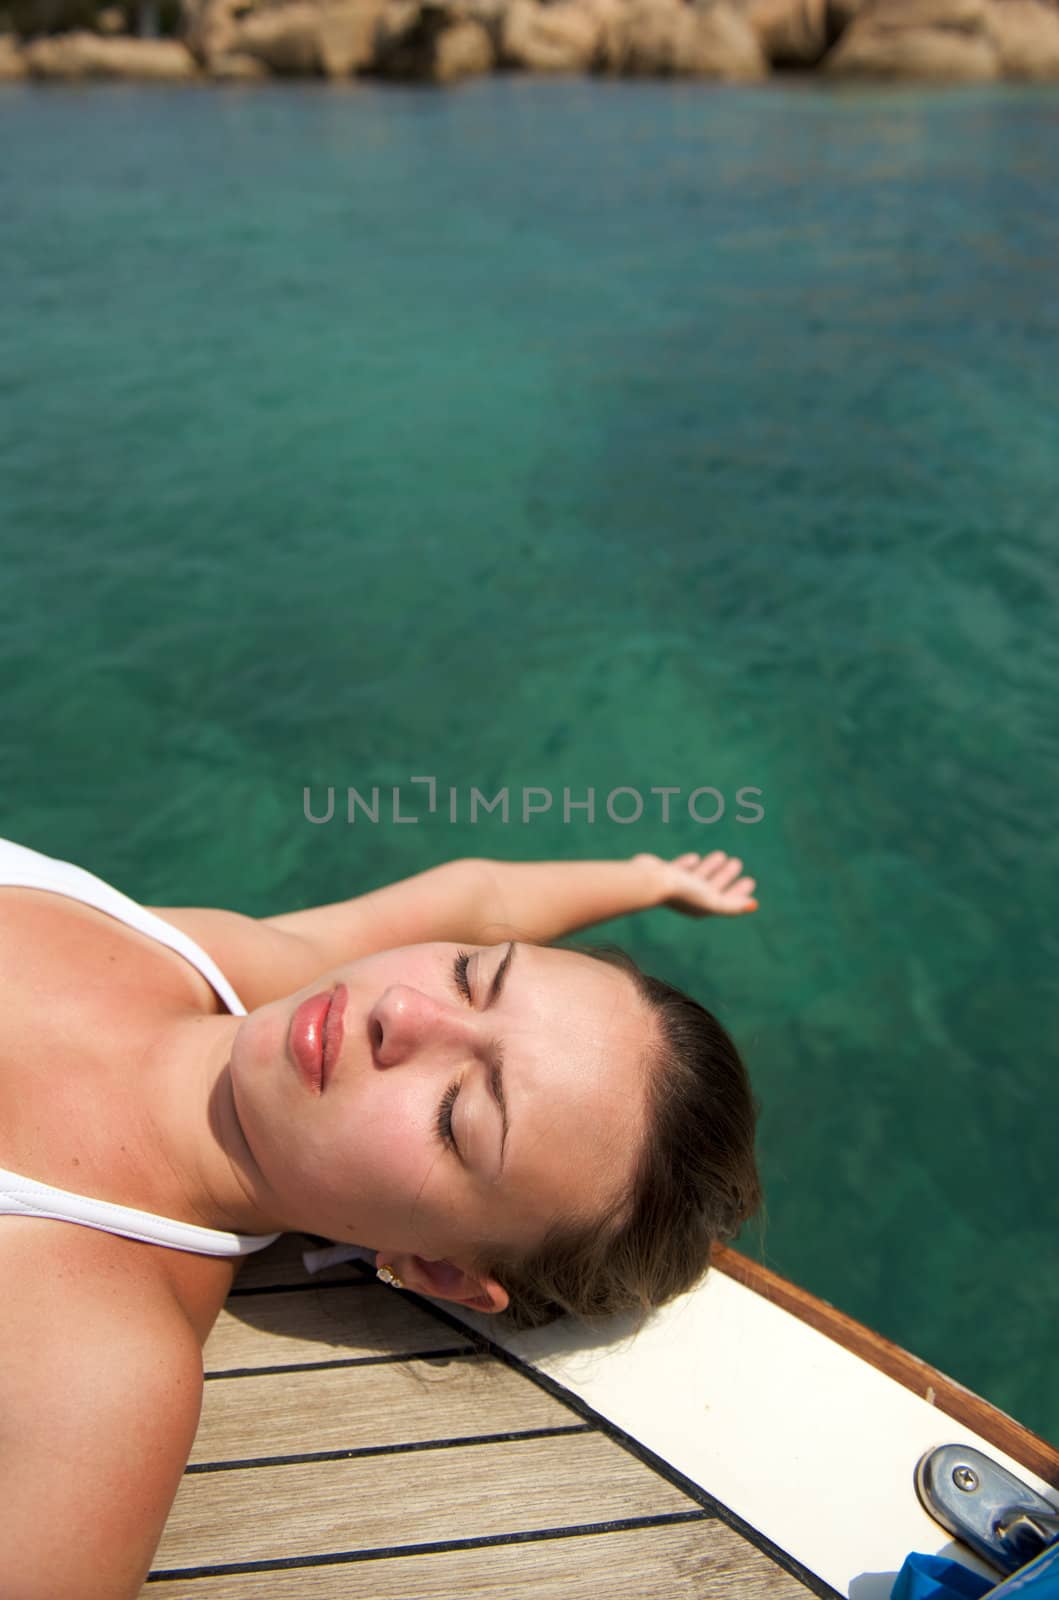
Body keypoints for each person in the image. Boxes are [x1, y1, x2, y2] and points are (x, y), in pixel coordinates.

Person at [0, 839, 762, 1600]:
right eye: (472, 975)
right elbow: (481, 895)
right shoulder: (247, 960)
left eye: (455, 1114)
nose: (402, 1010)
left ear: (438, 1269)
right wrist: (649, 878)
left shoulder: (100, 1373)